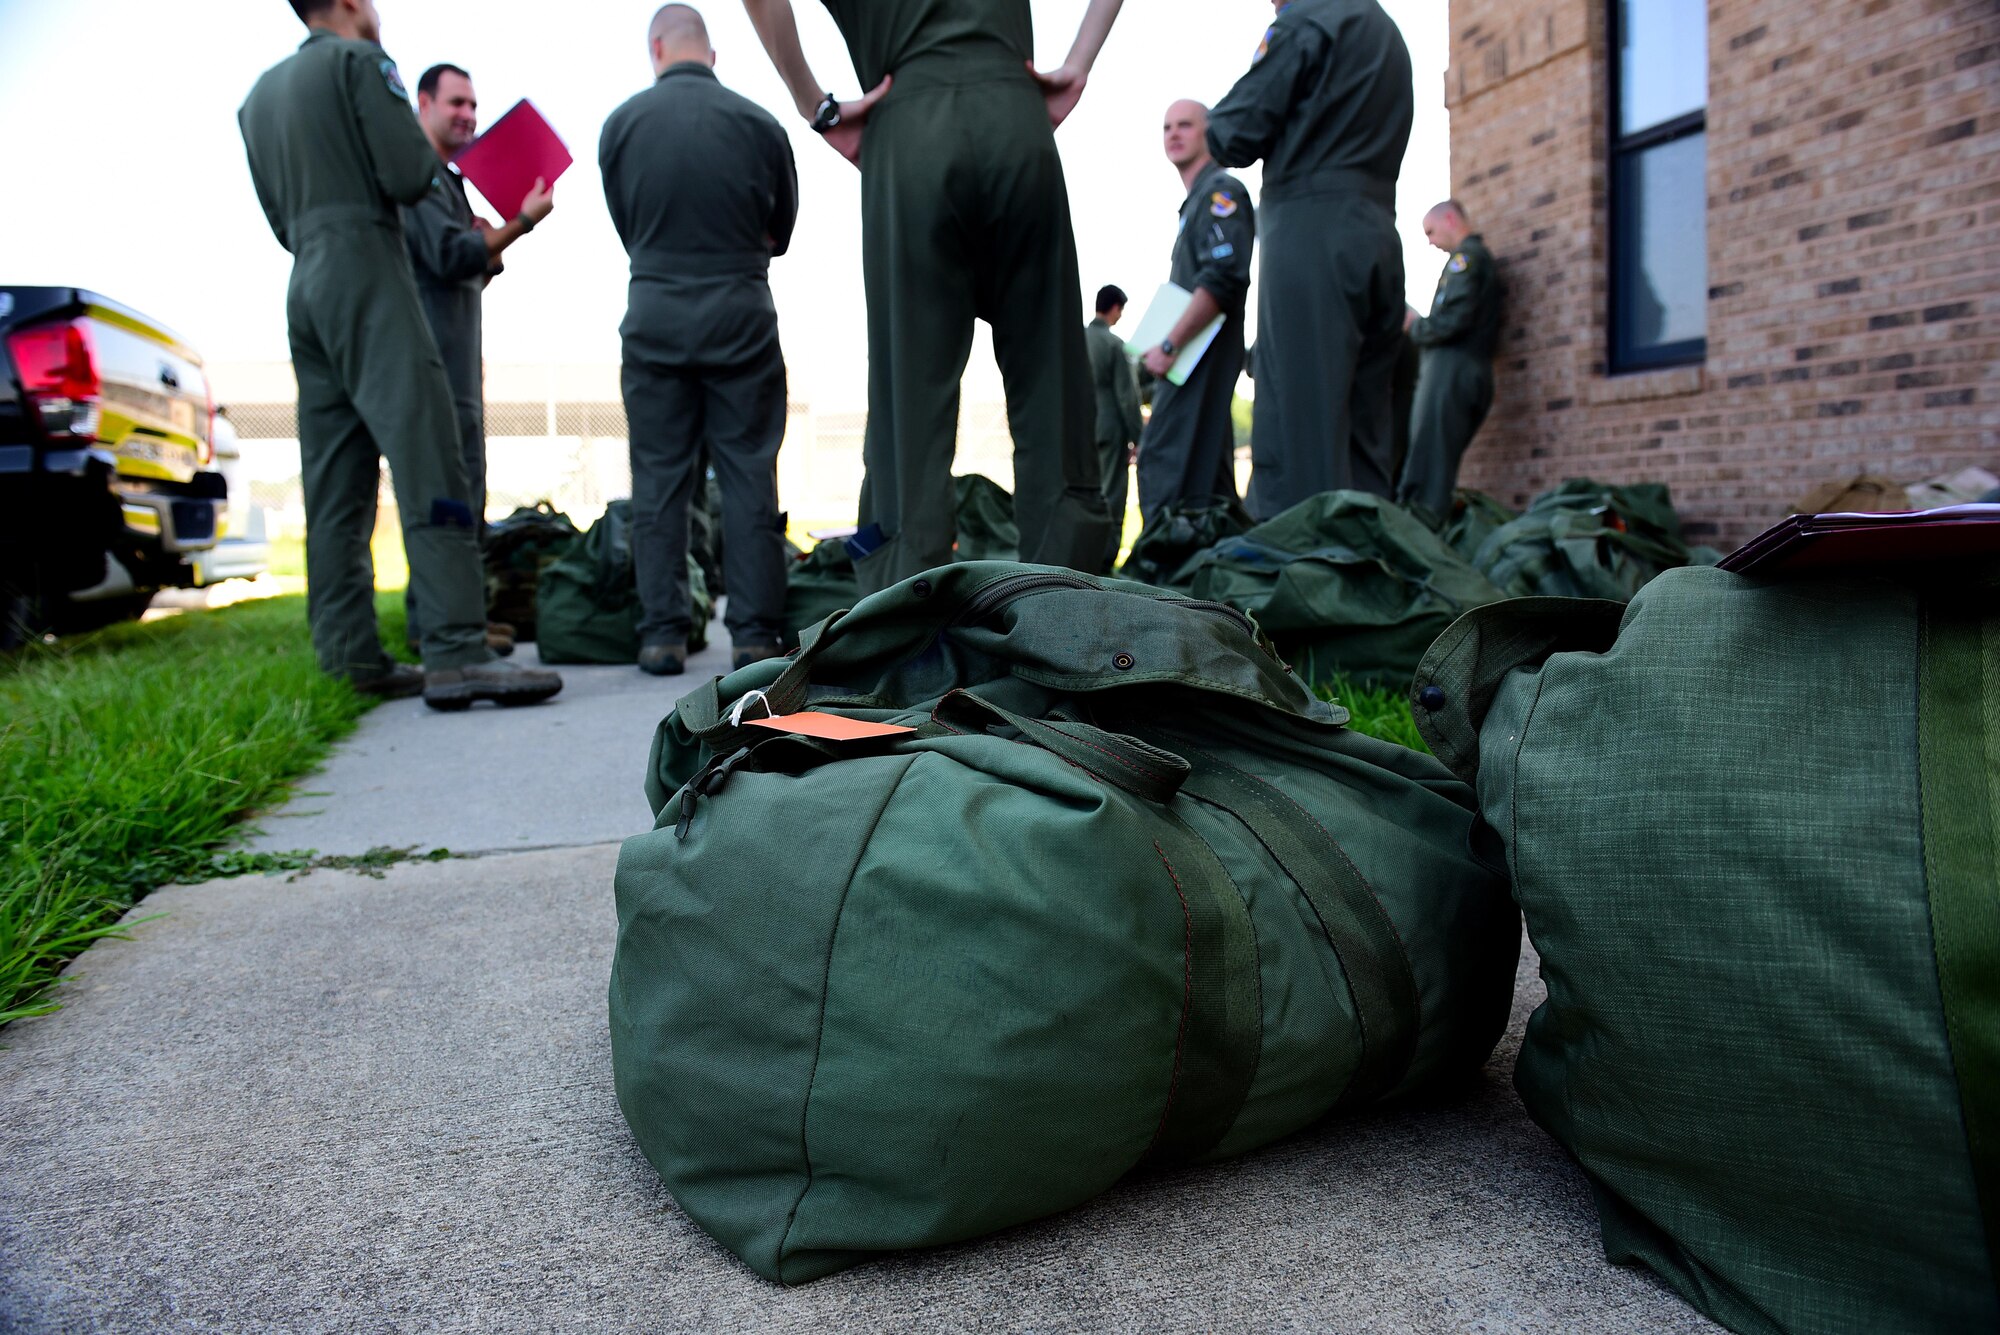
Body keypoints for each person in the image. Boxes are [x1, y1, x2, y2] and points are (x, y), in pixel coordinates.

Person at [239, 0, 561, 710]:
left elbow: (274, 214)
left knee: (335, 482)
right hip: (367, 269)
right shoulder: (361, 62)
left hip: (306, 281)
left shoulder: (258, 97)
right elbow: (413, 172)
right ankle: (456, 649)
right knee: (432, 454)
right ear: (351, 4)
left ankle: (349, 654)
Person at [742, 0, 1126, 591]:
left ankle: (911, 632)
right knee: (1054, 385)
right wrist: (1079, 63)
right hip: (1014, 115)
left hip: (907, 127)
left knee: (909, 403)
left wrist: (814, 104)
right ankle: (1064, 621)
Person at [601, 5, 797, 675]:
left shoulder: (621, 126)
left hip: (654, 310)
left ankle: (661, 633)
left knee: (658, 478)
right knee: (747, 469)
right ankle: (754, 635)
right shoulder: (759, 123)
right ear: (711, 56)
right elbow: (783, 230)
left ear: (657, 48)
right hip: (740, 308)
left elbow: (627, 225)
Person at [1207, 0, 1413, 520]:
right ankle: (1366, 569)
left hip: (1311, 230)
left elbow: (1232, 132)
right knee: (1366, 431)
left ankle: (1298, 578)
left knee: (1298, 422)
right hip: (1378, 231)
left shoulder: (1308, 20)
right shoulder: (1384, 30)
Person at [402, 61, 556, 657]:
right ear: (424, 104)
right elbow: (445, 256)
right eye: (456, 103)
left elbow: (463, 269)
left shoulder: (447, 179)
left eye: (473, 105)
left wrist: (489, 247)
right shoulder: (415, 175)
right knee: (442, 490)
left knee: (466, 491)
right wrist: (518, 224)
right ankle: (436, 626)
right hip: (435, 358)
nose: (468, 115)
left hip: (459, 354)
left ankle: (460, 618)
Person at [1135, 99, 1255, 525]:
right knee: (1209, 481)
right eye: (1167, 126)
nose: (1173, 133)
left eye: (1185, 124)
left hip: (1195, 357)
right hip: (1193, 357)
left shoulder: (1221, 192)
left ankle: (1163, 581)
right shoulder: (1199, 200)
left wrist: (1170, 345)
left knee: (1163, 465)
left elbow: (1222, 278)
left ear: (1209, 132)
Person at [1397, 200, 1502, 525]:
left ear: (1450, 219)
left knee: (1429, 469)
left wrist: (1416, 326)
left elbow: (1453, 320)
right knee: (1432, 464)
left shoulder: (1466, 260)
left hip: (1451, 372)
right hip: (1460, 371)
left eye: (1430, 231)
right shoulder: (1471, 260)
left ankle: (1418, 541)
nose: (1430, 241)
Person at [1085, 284, 1143, 567]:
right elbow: (1127, 397)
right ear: (1116, 309)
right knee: (1112, 495)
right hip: (1110, 430)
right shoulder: (1115, 345)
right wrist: (1137, 437)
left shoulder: (1074, 339)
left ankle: (1080, 551)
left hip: (1079, 430)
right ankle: (1105, 557)